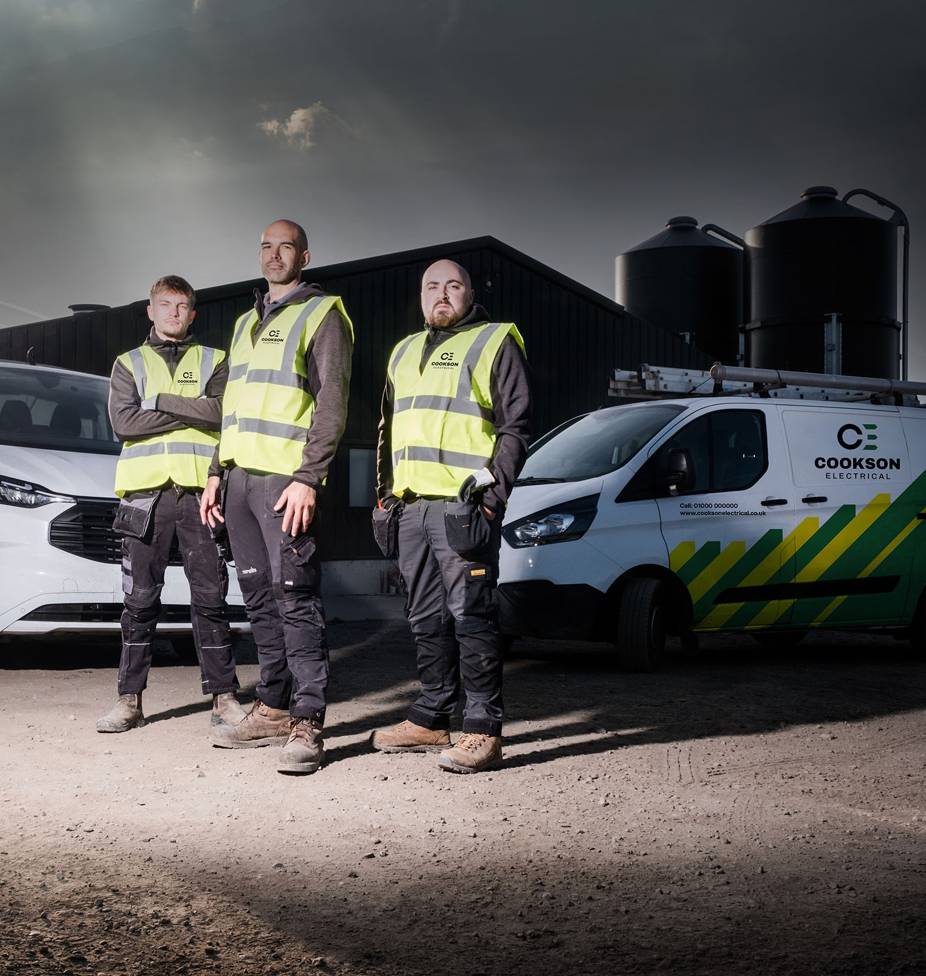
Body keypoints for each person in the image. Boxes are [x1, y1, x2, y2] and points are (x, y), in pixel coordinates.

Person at [201, 219, 353, 776]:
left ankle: (308, 721)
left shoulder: (323, 314)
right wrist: (217, 472)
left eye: (284, 245)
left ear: (304, 256)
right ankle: (272, 703)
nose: (273, 254)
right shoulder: (244, 323)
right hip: (239, 481)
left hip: (285, 482)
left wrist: (309, 477)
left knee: (295, 596)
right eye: (265, 245)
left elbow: (332, 404)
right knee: (258, 597)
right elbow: (231, 408)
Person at [371, 259, 531, 773]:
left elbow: (516, 426)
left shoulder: (494, 340)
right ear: (421, 296)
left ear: (469, 292)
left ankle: (482, 730)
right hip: (413, 505)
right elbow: (386, 432)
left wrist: (492, 498)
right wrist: (384, 497)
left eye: (453, 285)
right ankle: (431, 716)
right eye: (432, 286)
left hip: (464, 508)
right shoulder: (402, 351)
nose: (442, 294)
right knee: (423, 618)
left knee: (472, 616)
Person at [97, 275, 245, 734]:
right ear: (150, 310)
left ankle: (223, 698)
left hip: (201, 495)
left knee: (210, 598)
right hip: (145, 496)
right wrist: (189, 407)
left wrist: (158, 401)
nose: (174, 314)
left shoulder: (215, 360)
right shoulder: (129, 363)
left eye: (182, 307)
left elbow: (223, 412)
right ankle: (129, 699)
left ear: (193, 312)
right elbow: (124, 422)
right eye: (166, 305)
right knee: (139, 601)